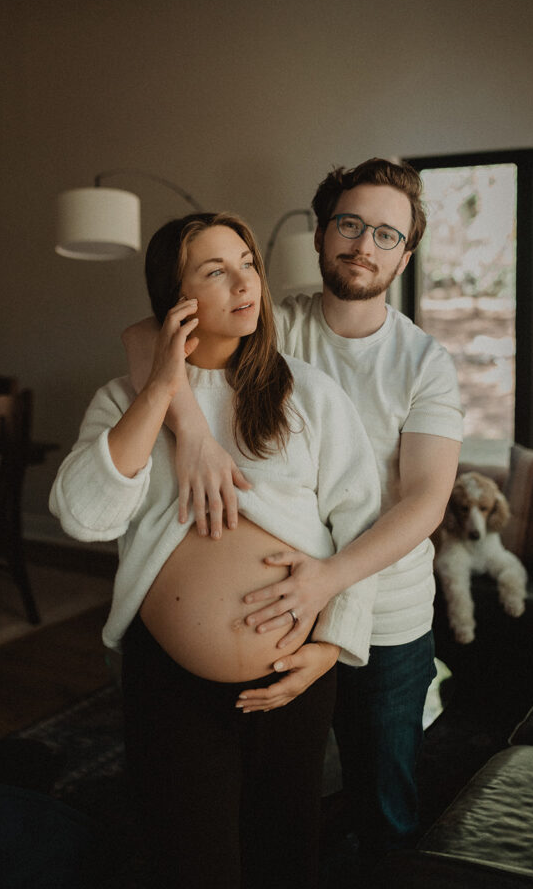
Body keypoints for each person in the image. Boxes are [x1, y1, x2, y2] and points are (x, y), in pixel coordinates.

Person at [123, 159, 464, 869]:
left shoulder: (423, 361)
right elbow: (144, 336)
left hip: (389, 617)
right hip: (278, 612)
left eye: (385, 234)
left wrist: (327, 585)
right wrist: (190, 436)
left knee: (384, 803)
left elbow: (426, 500)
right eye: (348, 224)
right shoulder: (277, 322)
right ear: (319, 232)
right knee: (275, 797)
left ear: (405, 253)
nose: (362, 246)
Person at [49, 212, 382, 889]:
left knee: (284, 856)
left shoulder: (308, 395)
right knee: (191, 863)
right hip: (169, 683)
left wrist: (330, 645)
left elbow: (362, 528)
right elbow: (81, 517)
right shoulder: (123, 401)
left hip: (293, 677)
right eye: (214, 270)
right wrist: (158, 391)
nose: (243, 282)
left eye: (247, 263)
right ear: (174, 299)